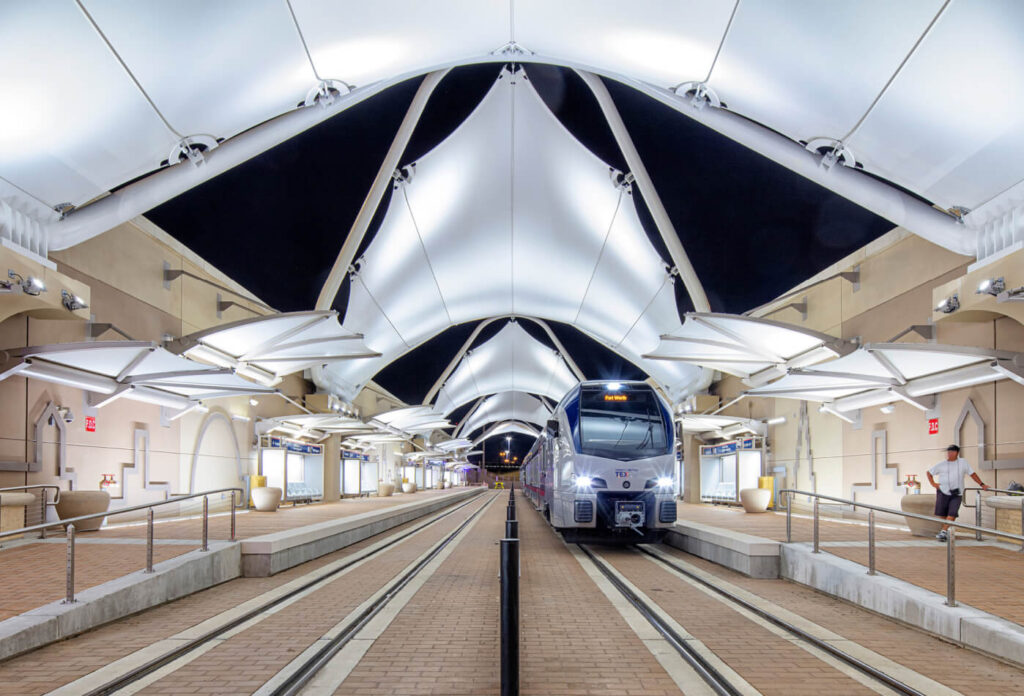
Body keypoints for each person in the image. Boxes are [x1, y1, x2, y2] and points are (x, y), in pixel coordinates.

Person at [926, 444, 989, 542]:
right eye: (948, 452)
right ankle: (945, 532)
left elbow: (972, 474)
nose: (949, 454)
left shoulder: (963, 463)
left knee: (953, 512)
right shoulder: (942, 464)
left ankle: (943, 531)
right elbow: (929, 473)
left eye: (951, 452)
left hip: (956, 493)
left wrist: (982, 484)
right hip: (942, 491)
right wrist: (933, 484)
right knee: (942, 513)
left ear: (957, 453)